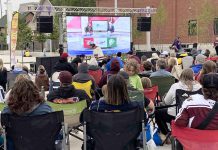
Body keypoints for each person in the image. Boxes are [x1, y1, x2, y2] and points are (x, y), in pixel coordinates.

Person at [155, 68, 201, 136]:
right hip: (194, 116)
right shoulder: (199, 87)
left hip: (176, 115)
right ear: (193, 76)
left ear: (181, 76)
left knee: (157, 112)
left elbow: (167, 102)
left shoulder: (175, 86)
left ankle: (167, 134)